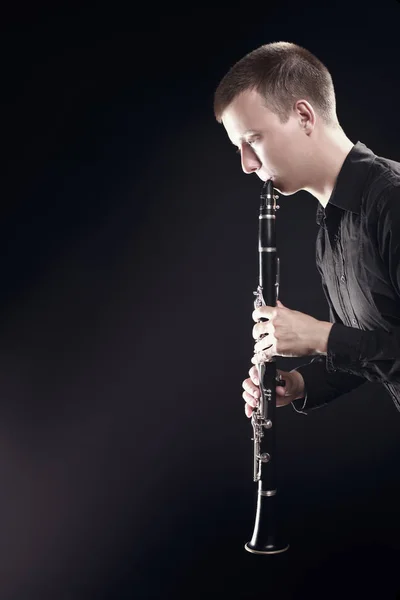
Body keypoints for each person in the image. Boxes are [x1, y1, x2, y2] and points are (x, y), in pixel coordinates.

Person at [213, 41, 400, 417]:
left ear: (303, 115)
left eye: (253, 139)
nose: (248, 165)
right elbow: (373, 349)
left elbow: (352, 344)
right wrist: (299, 384)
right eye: (239, 148)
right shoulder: (330, 230)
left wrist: (322, 337)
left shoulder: (391, 199)